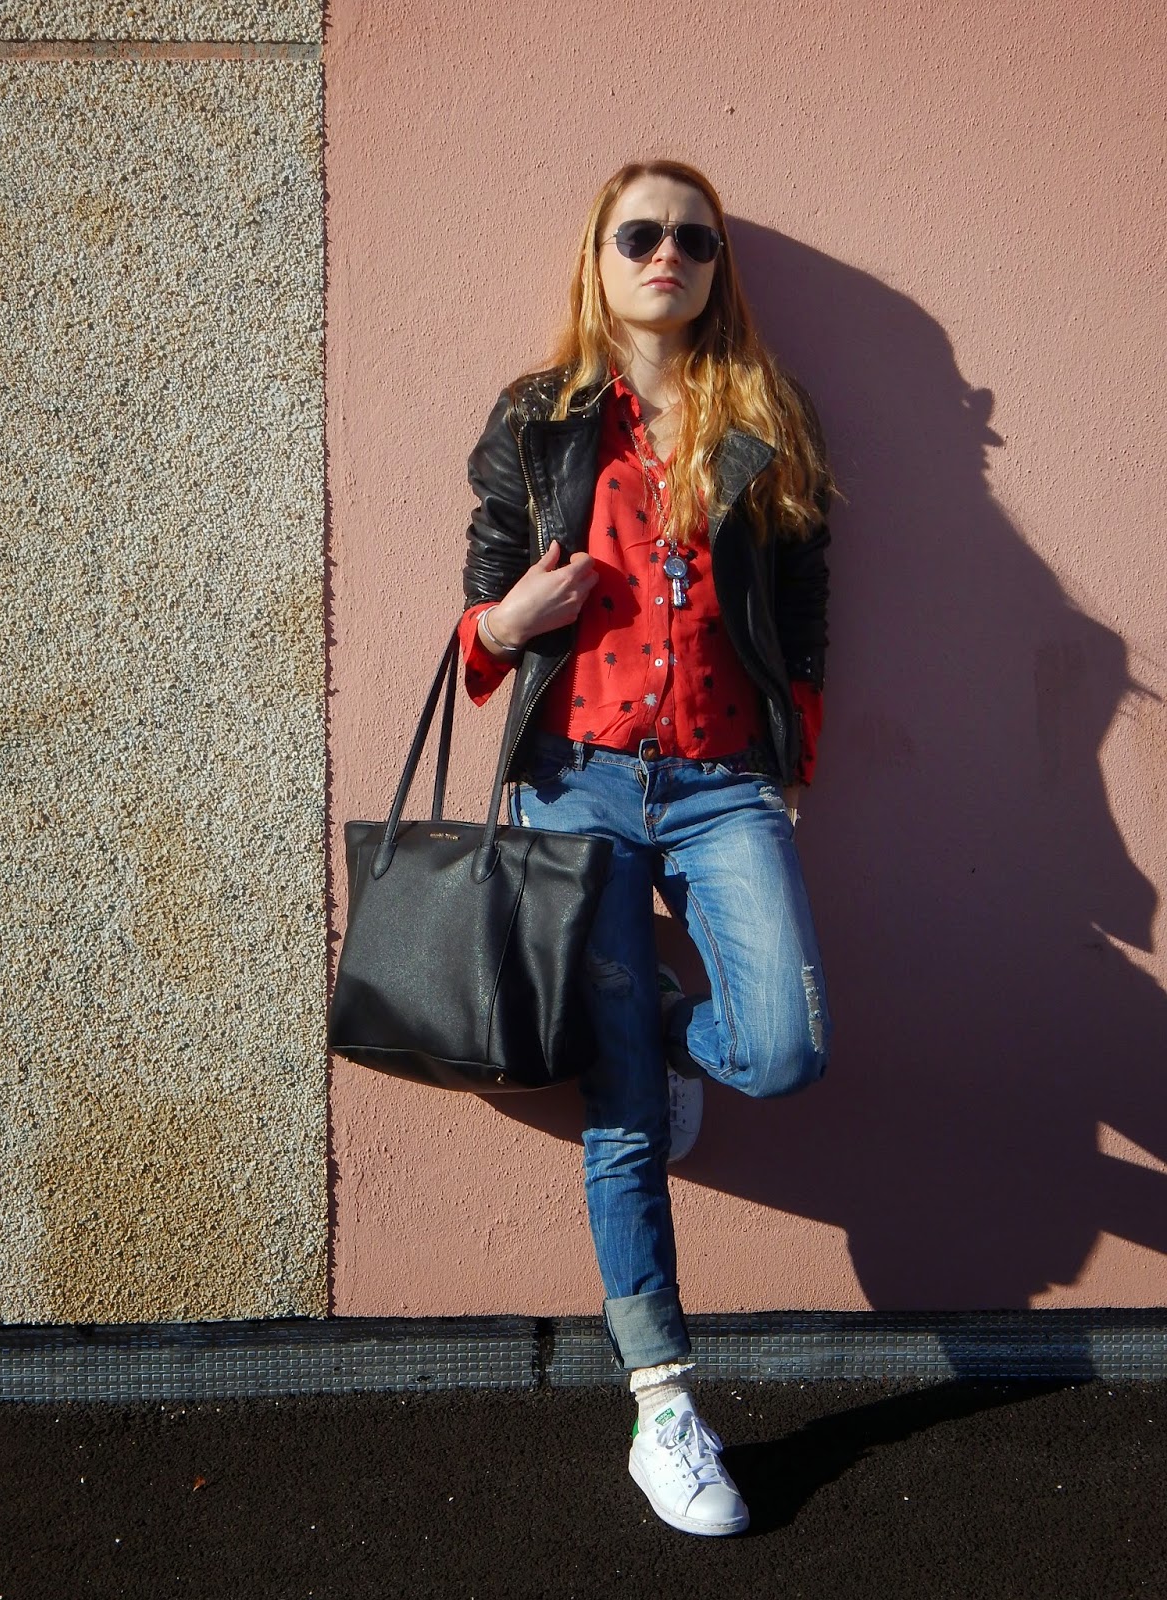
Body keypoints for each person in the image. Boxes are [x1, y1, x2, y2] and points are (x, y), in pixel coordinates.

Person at [458, 159, 832, 1537]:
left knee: (784, 1048)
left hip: (725, 786)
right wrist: (510, 622)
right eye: (640, 234)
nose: (667, 253)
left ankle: (673, 1029)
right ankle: (662, 1403)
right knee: (616, 1109)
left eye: (693, 237)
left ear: (718, 264)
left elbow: (807, 602)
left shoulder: (766, 415)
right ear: (600, 258)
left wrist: (795, 756)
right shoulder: (538, 416)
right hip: (580, 785)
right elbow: (478, 610)